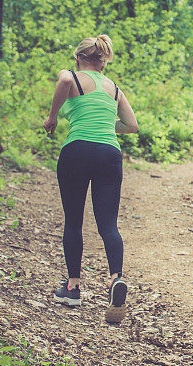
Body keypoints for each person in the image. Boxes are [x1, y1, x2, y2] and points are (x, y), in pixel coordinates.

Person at [43, 35, 138, 323]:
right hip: (109, 153)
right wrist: (107, 125)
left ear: (78, 58)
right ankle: (115, 280)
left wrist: (53, 118)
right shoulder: (114, 88)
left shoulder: (70, 75)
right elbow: (132, 126)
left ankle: (72, 288)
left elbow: (62, 82)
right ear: (103, 61)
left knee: (73, 220)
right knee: (108, 225)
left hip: (77, 151)